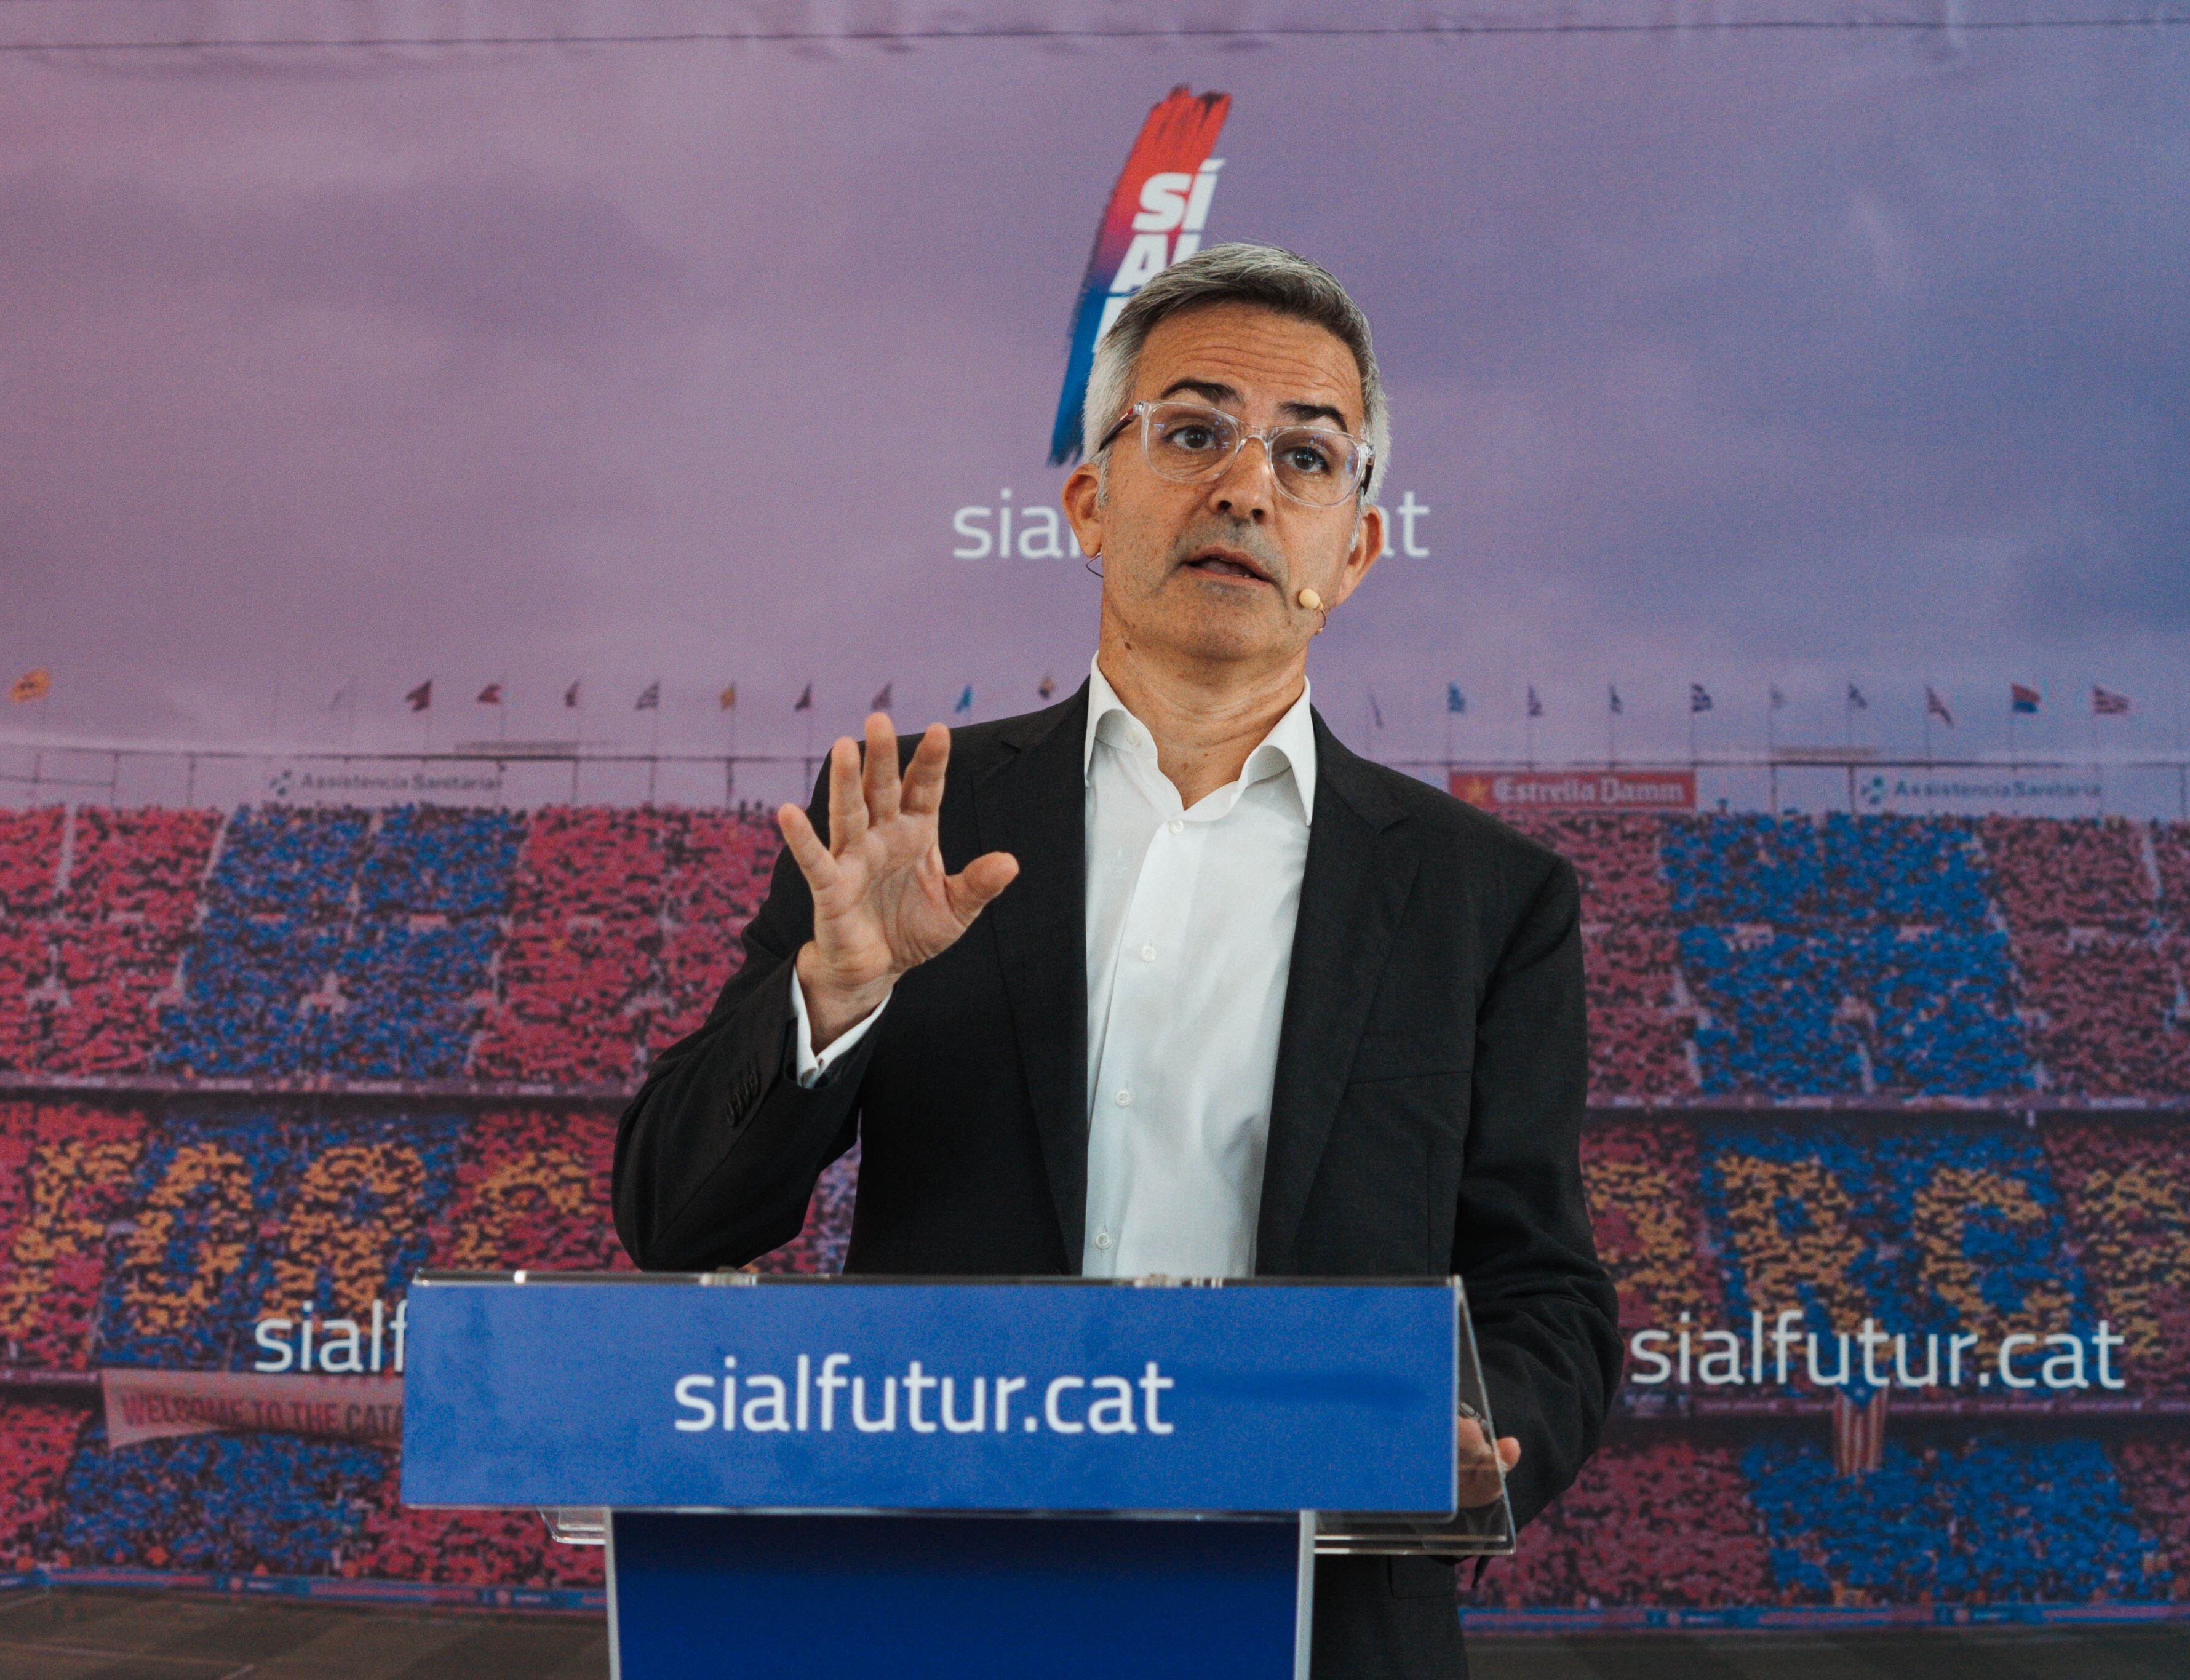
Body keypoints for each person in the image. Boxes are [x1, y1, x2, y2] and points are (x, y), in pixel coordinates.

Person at [614, 242, 1620, 1677]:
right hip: (940, 1608)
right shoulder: (907, 824)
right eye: (1194, 431)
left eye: (1306, 458)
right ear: (1089, 502)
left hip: (1320, 1620)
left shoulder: (1488, 899)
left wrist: (1481, 1434)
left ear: (1354, 548)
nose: (1244, 486)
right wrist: (835, 990)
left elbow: (1545, 1294)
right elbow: (672, 1215)